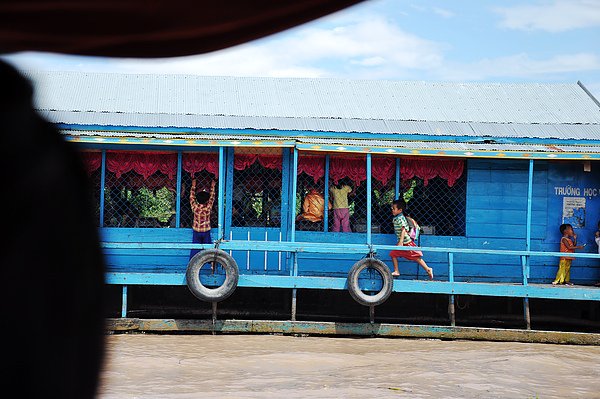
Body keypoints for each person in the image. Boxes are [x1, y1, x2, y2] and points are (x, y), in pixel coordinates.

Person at [389, 199, 433, 279]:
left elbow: (403, 229)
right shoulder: (397, 218)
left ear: (400, 210)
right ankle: (396, 271)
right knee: (393, 254)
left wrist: (401, 242)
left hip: (406, 242)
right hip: (402, 242)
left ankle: (428, 269)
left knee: (416, 257)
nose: (392, 210)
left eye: (394, 208)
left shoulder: (400, 218)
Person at [189, 177, 216, 258]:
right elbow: (212, 197)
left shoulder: (195, 208)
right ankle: (210, 261)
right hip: (206, 231)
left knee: (195, 249)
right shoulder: (208, 208)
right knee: (208, 249)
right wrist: (213, 186)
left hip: (196, 231)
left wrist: (193, 186)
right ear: (207, 200)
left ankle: (193, 262)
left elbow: (191, 197)